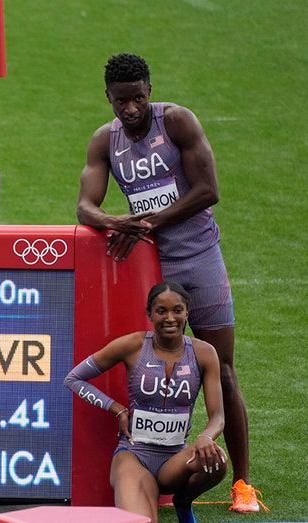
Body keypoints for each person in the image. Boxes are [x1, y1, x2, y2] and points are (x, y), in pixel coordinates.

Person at [75, 53, 262, 512]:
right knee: (152, 366)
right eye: (122, 101)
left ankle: (243, 485)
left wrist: (149, 222)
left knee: (226, 368)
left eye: (138, 98)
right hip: (151, 269)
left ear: (150, 91)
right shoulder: (106, 141)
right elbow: (85, 207)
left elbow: (207, 190)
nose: (131, 108)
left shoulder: (177, 122)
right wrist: (115, 219)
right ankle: (155, 459)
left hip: (199, 261)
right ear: (109, 99)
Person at [64, 281, 226, 523]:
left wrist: (205, 437)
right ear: (149, 314)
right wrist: (117, 409)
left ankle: (182, 502)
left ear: (187, 313)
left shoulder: (204, 353)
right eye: (161, 311)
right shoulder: (132, 345)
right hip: (133, 455)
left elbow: (218, 416)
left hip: (175, 459)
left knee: (217, 461)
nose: (170, 318)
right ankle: (145, 492)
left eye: (177, 310)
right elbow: (74, 378)